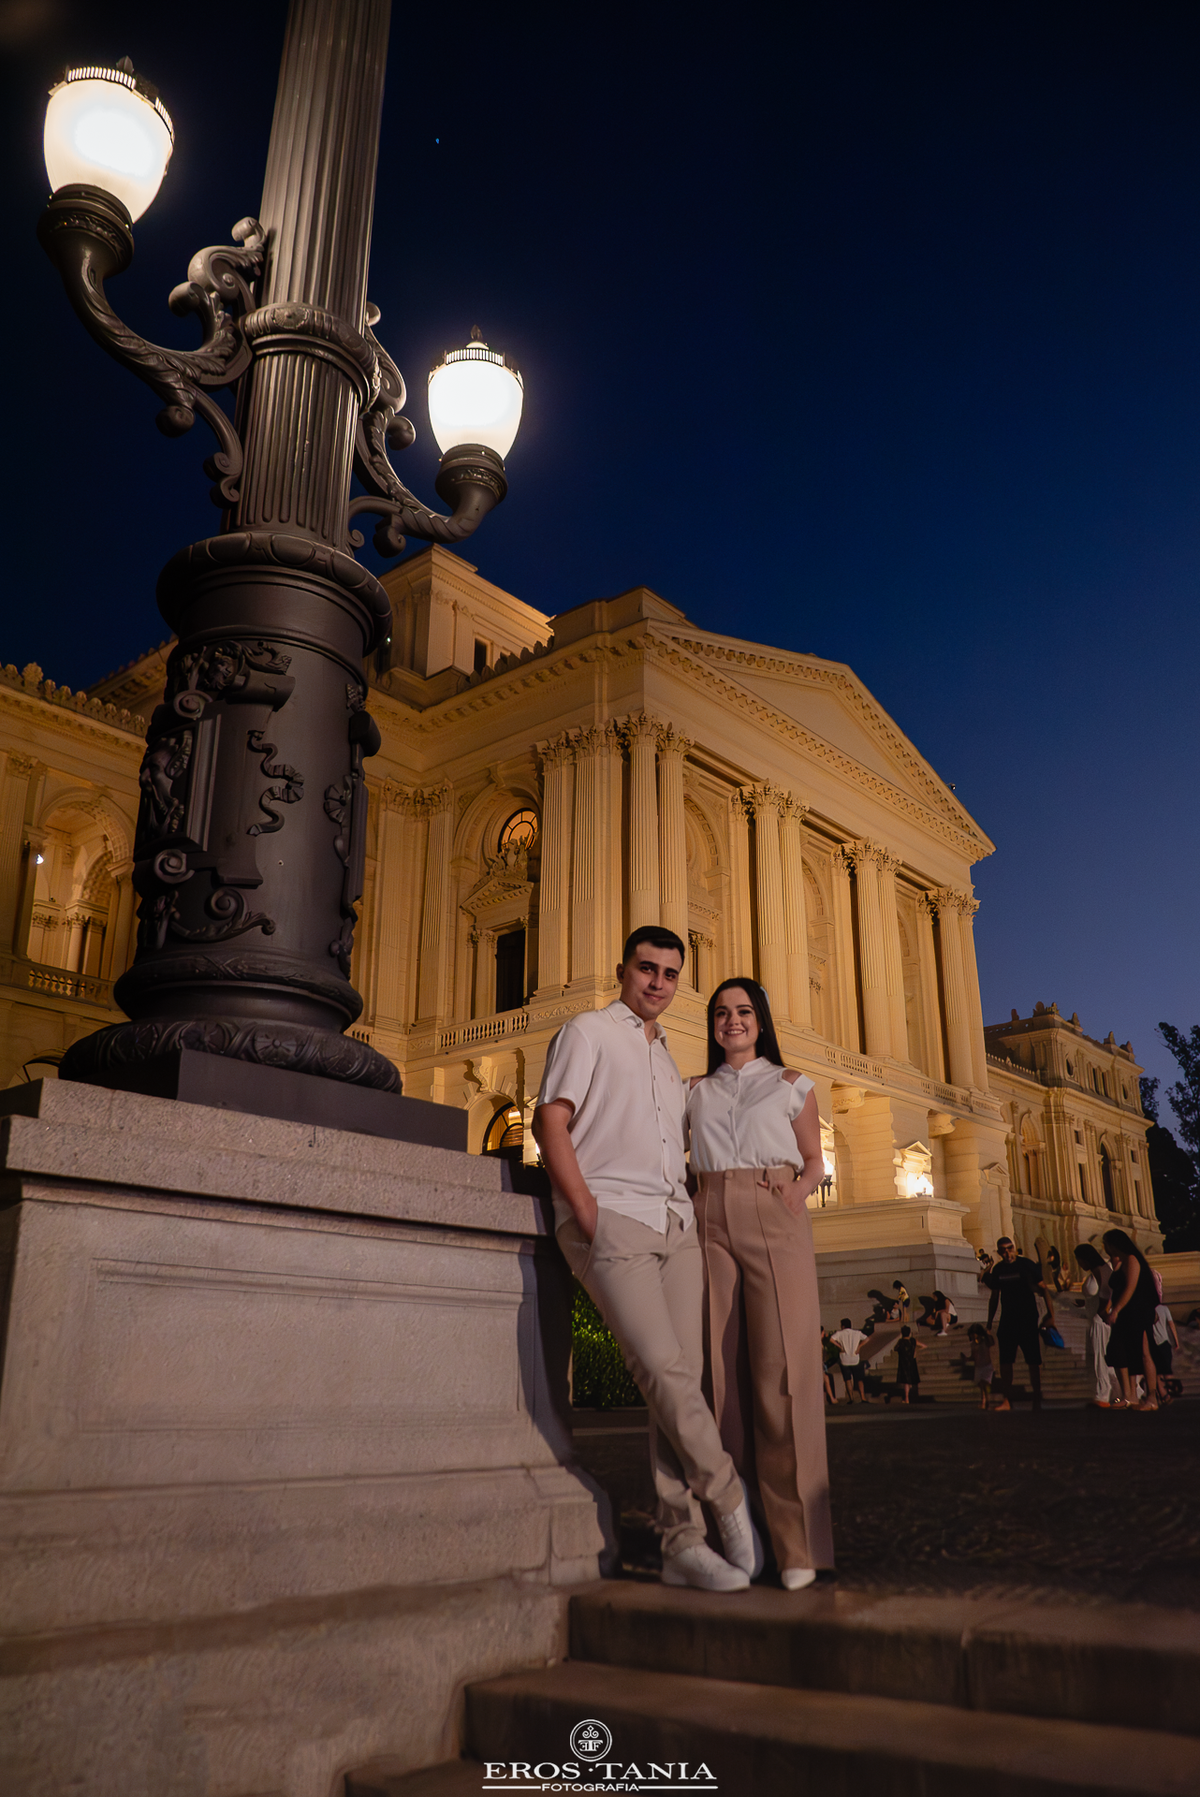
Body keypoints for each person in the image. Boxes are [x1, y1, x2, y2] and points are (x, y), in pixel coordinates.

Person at [533, 927, 761, 1592]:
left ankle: (680, 1542)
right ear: (622, 969)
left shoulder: (666, 1055)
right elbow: (552, 1120)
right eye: (646, 968)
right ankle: (726, 1496)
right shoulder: (587, 1031)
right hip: (615, 1220)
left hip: (674, 1224)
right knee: (660, 1367)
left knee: (682, 1379)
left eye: (669, 972)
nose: (658, 981)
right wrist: (585, 1212)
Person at [684, 977, 835, 1590]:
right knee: (716, 1379)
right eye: (722, 1013)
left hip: (775, 1211)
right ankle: (734, 1533)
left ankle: (798, 1545)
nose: (732, 1021)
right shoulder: (693, 1090)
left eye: (743, 1011)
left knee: (783, 1377)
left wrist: (797, 1192)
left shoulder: (792, 1085)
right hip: (708, 1214)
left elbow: (816, 1160)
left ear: (760, 1019)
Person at [982, 1236, 1056, 1410]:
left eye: (1009, 1248)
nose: (1007, 1252)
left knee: (1033, 1361)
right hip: (1008, 1319)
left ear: (1014, 1248)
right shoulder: (999, 1269)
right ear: (999, 1252)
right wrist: (989, 1323)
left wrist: (1051, 1315)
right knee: (1006, 1362)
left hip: (1027, 1318)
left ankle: (1037, 1397)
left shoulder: (1027, 1265)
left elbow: (1043, 1289)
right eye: (1003, 1250)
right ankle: (1007, 1400)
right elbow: (994, 1297)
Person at [1101, 1227, 1160, 1412]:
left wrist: (1115, 1310)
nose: (1104, 1247)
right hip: (1128, 1314)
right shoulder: (1121, 1261)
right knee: (1124, 1351)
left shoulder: (1132, 1259)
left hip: (1137, 1312)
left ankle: (1152, 1397)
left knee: (1144, 1352)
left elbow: (1130, 1287)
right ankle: (1130, 1396)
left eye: (1106, 1243)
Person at [1073, 1243, 1118, 1408]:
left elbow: (1109, 1292)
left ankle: (1103, 1395)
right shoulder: (1102, 1269)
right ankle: (1118, 1393)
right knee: (1107, 1357)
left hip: (1100, 1320)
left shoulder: (1100, 1270)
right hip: (1098, 1316)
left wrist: (1102, 1311)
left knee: (1100, 1356)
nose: (1080, 1265)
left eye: (1079, 1261)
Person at [831, 1316, 869, 1404]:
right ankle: (863, 1397)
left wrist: (840, 1347)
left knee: (847, 1379)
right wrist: (859, 1347)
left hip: (844, 1359)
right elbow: (867, 1339)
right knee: (859, 1379)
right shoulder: (857, 1333)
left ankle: (851, 1398)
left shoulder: (840, 1333)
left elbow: (831, 1339)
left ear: (843, 1326)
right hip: (855, 1358)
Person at [1150, 1301, 1180, 1404]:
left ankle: (1163, 1395)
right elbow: (1171, 1324)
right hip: (1164, 1342)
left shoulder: (1148, 1309)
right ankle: (1170, 1391)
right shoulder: (1164, 1309)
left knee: (1158, 1372)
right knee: (1167, 1370)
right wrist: (1176, 1341)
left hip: (1154, 1343)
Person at [965, 1323, 996, 1409]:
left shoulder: (985, 1342)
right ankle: (984, 1400)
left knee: (984, 1384)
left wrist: (988, 1334)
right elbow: (973, 1356)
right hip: (978, 1367)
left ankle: (987, 1401)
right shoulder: (973, 1344)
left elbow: (992, 1342)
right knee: (981, 1385)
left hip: (987, 1366)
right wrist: (967, 1359)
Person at [894, 1325, 923, 1404]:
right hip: (912, 1362)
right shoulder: (913, 1341)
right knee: (912, 1380)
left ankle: (906, 1398)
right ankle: (913, 1396)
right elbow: (923, 1346)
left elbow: (895, 1348)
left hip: (904, 1363)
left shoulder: (901, 1342)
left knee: (906, 1382)